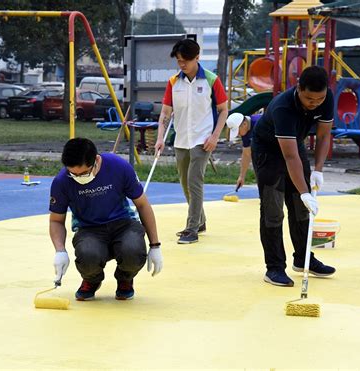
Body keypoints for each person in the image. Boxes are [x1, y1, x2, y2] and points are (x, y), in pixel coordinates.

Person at [251, 65, 336, 287]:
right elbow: (289, 158)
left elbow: (324, 135)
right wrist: (305, 192)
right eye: (309, 98)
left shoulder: (326, 99)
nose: (314, 103)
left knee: (301, 208)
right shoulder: (283, 107)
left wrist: (318, 169)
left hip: (293, 144)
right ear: (298, 88)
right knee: (273, 210)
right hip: (269, 150)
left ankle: (304, 258)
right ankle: (275, 268)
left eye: (319, 99)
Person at [49, 138, 163, 301]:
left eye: (83, 173)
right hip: (89, 229)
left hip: (123, 224)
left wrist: (155, 246)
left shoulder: (118, 167)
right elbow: (56, 220)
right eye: (73, 174)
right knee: (88, 255)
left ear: (96, 160)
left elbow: (142, 204)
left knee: (133, 251)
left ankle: (125, 278)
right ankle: (91, 280)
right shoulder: (62, 181)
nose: (78, 177)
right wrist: (60, 251)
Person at [155, 39, 228, 244]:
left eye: (185, 61)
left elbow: (223, 111)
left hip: (202, 140)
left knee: (195, 181)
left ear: (197, 57)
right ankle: (200, 221)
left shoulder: (212, 80)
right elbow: (165, 113)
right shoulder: (173, 82)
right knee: (185, 183)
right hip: (181, 140)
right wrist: (160, 137)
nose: (182, 65)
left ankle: (191, 229)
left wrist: (215, 137)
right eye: (179, 61)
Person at [226, 112, 261, 191]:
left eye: (238, 131)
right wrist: (242, 176)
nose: (238, 134)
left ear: (244, 124)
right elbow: (246, 154)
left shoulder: (259, 123)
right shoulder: (245, 132)